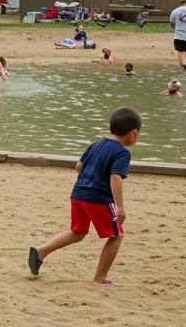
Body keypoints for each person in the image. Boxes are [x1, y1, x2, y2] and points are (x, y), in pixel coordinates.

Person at [28, 107, 142, 284]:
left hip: (78, 194)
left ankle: (42, 251)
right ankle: (100, 277)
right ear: (133, 133)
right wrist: (120, 207)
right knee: (116, 235)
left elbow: (79, 167)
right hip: (98, 199)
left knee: (78, 232)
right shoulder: (122, 152)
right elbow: (115, 177)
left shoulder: (96, 144)